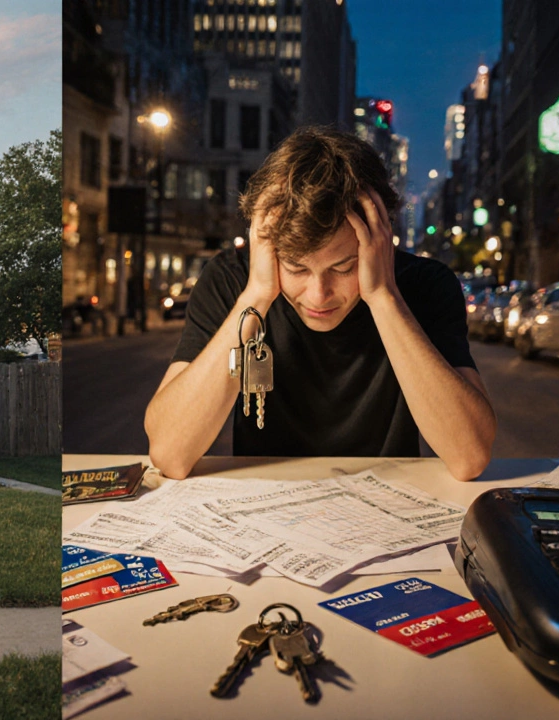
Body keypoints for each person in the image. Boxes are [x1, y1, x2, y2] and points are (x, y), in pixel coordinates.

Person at [144, 126, 496, 481]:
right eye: (296, 267)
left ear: (381, 240)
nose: (318, 295)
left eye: (343, 267)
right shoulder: (230, 280)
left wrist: (384, 297)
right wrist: (257, 296)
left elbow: (469, 457)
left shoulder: (426, 286)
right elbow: (170, 455)